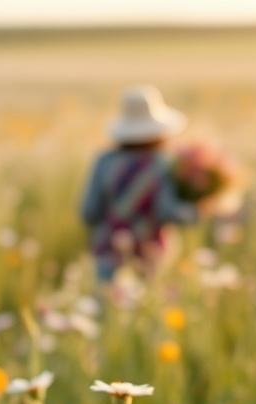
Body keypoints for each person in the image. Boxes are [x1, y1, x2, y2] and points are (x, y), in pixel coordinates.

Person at [80, 86, 199, 281]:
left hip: (107, 250)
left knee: (107, 304)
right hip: (150, 253)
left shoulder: (104, 161)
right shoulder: (163, 164)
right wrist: (197, 210)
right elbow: (166, 211)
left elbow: (89, 212)